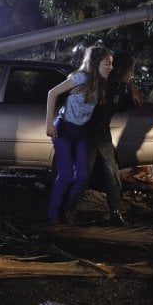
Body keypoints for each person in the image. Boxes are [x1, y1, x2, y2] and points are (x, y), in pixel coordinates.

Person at [45, 46, 114, 226]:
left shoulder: (99, 83)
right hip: (64, 129)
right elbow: (52, 93)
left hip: (81, 131)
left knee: (83, 175)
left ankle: (68, 210)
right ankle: (53, 214)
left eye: (111, 64)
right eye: (107, 63)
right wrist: (49, 124)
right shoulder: (80, 77)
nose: (110, 67)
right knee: (66, 174)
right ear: (95, 63)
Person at [87, 52, 143, 226]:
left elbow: (132, 103)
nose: (131, 73)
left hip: (101, 135)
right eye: (130, 70)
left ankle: (115, 214)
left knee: (111, 175)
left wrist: (131, 87)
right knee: (86, 174)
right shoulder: (102, 84)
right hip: (88, 135)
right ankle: (66, 211)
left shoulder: (119, 87)